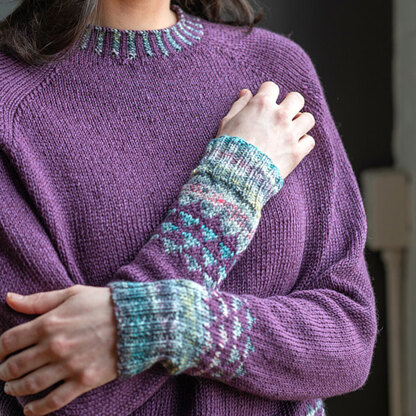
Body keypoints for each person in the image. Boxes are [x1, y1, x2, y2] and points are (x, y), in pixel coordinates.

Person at [0, 1, 378, 415]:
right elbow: (57, 397)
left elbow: (349, 339)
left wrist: (173, 321)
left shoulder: (276, 72)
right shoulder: (9, 101)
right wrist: (232, 187)